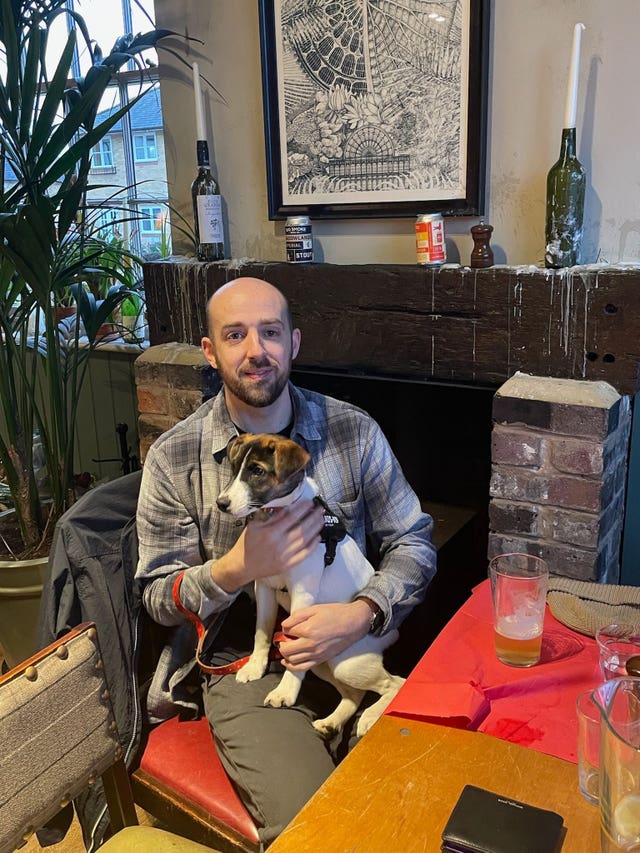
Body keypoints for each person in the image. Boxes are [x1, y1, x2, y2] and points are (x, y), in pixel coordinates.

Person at [135, 277, 436, 847]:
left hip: (352, 637)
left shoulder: (354, 430)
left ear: (293, 343)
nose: (256, 349)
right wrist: (236, 567)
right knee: (322, 829)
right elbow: (156, 597)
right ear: (210, 351)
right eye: (235, 334)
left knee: (425, 797)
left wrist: (364, 611)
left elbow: (415, 541)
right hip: (245, 664)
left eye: (270, 332)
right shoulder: (175, 457)